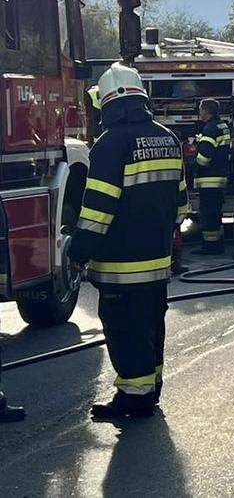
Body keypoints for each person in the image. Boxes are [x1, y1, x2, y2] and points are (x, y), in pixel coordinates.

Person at [67, 63, 188, 419]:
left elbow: (97, 210)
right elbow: (181, 206)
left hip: (120, 265)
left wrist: (78, 250)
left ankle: (134, 398)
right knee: (152, 325)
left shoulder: (109, 145)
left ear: (106, 105)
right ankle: (150, 391)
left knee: (125, 329)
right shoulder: (168, 138)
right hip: (158, 263)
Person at [192, 98, 231, 255]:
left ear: (206, 111)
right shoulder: (222, 126)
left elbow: (204, 158)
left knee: (208, 214)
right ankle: (217, 243)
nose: (199, 112)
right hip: (219, 177)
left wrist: (191, 164)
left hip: (209, 179)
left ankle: (210, 246)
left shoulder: (209, 129)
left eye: (200, 109)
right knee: (215, 213)